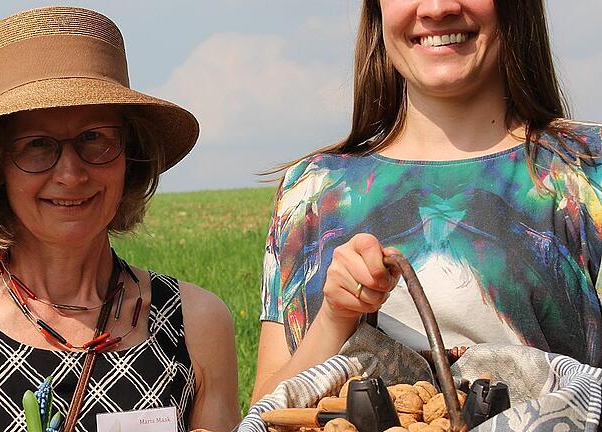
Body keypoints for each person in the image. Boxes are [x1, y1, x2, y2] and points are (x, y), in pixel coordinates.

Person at [0, 7, 240, 432]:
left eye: (95, 139)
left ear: (129, 158)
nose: (71, 173)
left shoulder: (195, 322)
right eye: (37, 146)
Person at [252, 0, 602, 402]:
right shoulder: (311, 191)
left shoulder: (589, 171)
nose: (437, 8)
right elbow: (268, 410)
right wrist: (335, 316)